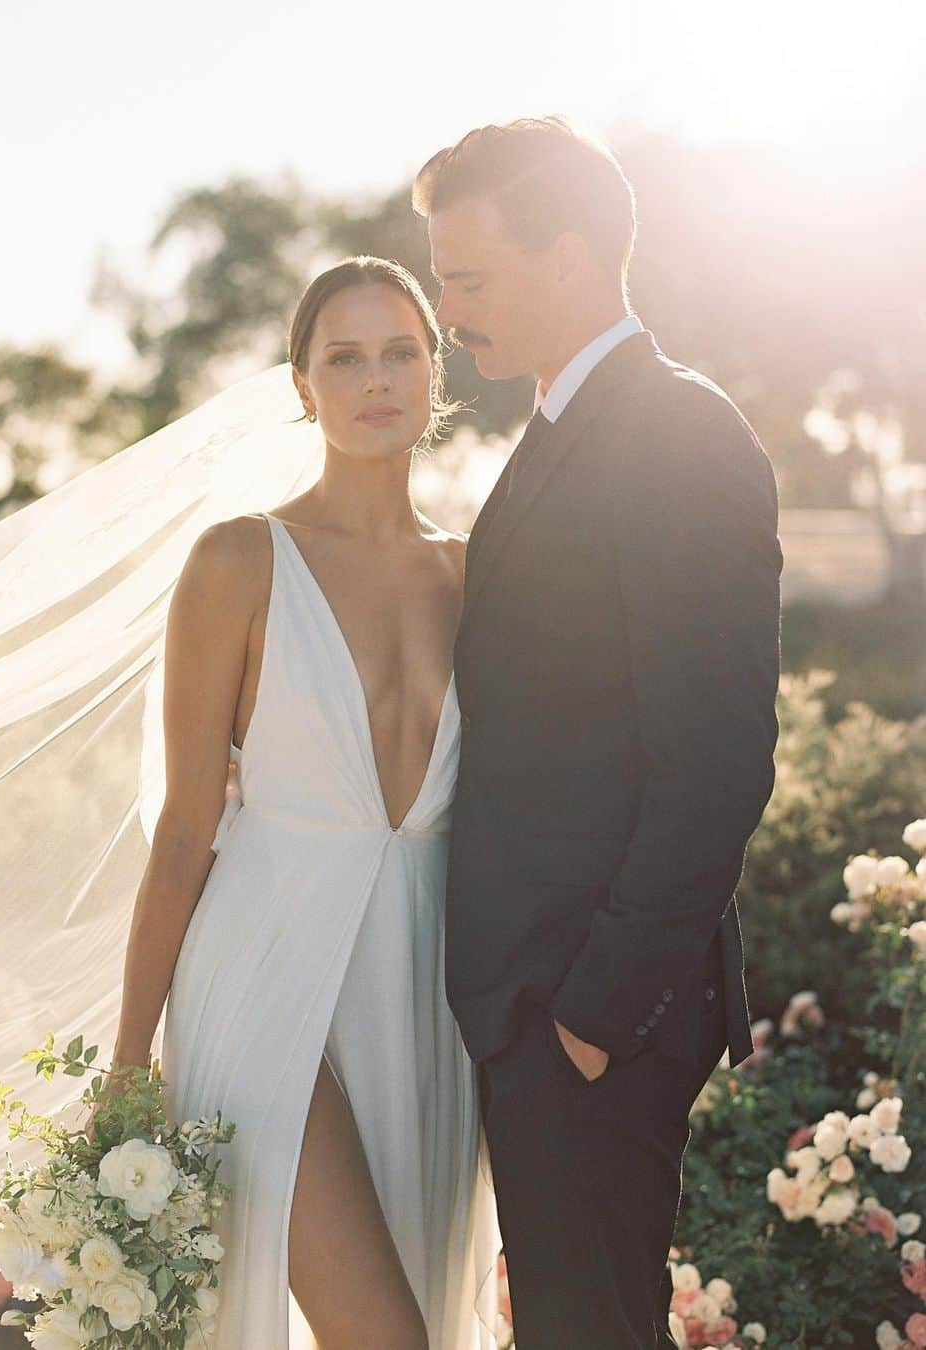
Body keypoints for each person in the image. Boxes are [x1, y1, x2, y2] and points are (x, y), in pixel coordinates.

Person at [412, 116, 783, 1347]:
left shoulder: (676, 432)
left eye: (469, 277)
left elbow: (716, 759)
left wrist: (592, 1016)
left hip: (591, 1010)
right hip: (536, 1002)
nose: (448, 309)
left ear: (568, 255)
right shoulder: (560, 427)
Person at [107, 256, 498, 1349]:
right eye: (345, 358)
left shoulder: (480, 575)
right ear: (302, 385)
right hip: (264, 982)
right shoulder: (239, 560)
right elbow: (187, 826)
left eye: (400, 353)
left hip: (419, 997)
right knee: (388, 1337)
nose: (376, 380)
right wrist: (131, 1056)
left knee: (413, 1313)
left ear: (435, 373)